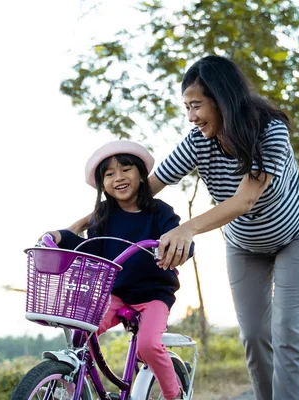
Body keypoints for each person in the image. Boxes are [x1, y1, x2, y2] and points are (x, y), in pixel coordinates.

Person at [67, 55, 299, 400]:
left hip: (298, 235)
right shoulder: (197, 140)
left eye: (196, 106)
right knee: (253, 334)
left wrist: (185, 229)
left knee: (287, 331)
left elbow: (243, 201)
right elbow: (147, 189)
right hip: (245, 243)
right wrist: (82, 223)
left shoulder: (269, 132)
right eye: (187, 107)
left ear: (222, 99)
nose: (191, 117)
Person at [45, 140, 193, 400]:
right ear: (103, 185)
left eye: (126, 169)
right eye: (110, 174)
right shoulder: (104, 215)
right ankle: (73, 385)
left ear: (141, 174)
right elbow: (90, 248)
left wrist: (179, 249)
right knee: (83, 331)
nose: (119, 178)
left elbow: (180, 240)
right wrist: (60, 236)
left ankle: (174, 394)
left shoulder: (159, 212)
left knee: (148, 345)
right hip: (117, 293)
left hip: (154, 294)